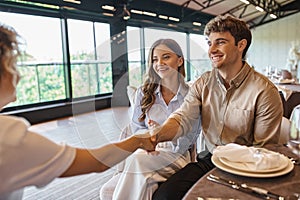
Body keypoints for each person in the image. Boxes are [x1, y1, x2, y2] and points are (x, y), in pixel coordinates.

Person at [0, 23, 156, 200]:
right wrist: (138, 141)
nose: (18, 75)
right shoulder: (9, 137)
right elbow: (97, 161)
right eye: (12, 65)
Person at [150, 15, 283, 200]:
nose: (211, 50)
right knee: (164, 196)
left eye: (220, 42)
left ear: (241, 45)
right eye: (209, 43)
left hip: (247, 166)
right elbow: (183, 118)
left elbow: (263, 150)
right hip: (210, 159)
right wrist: (158, 134)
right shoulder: (203, 82)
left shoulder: (265, 91)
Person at [100, 39, 200, 200]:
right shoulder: (144, 92)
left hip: (177, 154)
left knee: (138, 159)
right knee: (146, 180)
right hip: (147, 149)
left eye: (166, 57)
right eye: (155, 59)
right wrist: (149, 136)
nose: (159, 63)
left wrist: (162, 134)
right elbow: (136, 128)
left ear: (180, 60)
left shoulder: (191, 94)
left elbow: (192, 135)